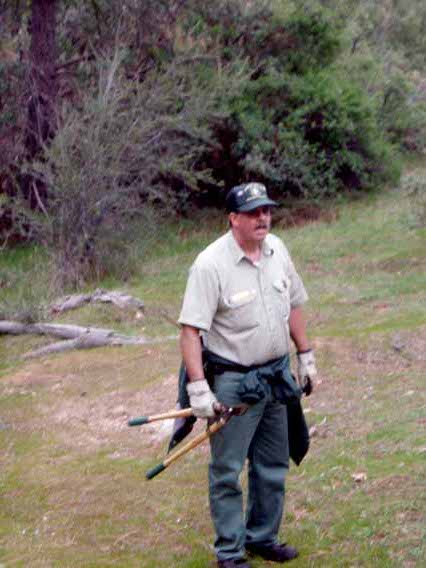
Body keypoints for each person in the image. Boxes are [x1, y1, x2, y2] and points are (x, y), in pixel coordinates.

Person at [178, 182, 318, 567]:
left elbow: (294, 304)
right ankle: (229, 553)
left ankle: (262, 537)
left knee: (272, 463)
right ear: (233, 218)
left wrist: (306, 355)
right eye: (253, 212)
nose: (263, 218)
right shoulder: (210, 264)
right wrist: (198, 389)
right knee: (227, 471)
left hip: (276, 377)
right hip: (234, 384)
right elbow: (190, 331)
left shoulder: (278, 250)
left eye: (266, 211)